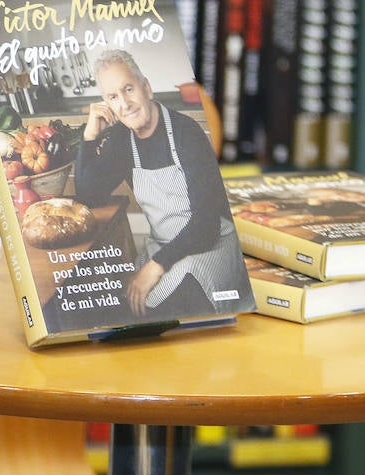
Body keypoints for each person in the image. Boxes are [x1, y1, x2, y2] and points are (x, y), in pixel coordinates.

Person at [73, 49, 248, 318]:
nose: (125, 103)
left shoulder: (187, 134)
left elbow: (206, 224)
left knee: (174, 309)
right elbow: (88, 196)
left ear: (147, 88)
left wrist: (155, 267)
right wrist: (89, 137)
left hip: (210, 244)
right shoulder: (121, 139)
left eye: (129, 89)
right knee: (122, 308)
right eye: (113, 97)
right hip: (163, 245)